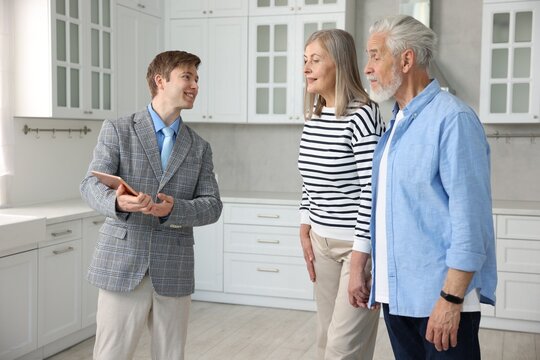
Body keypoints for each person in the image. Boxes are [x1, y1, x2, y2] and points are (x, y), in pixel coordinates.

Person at [352, 15, 497, 359]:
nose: (367, 68)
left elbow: (471, 222)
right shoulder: (396, 123)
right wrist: (368, 267)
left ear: (406, 59)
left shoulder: (453, 119)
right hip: (399, 298)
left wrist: (451, 300)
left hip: (441, 299)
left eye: (375, 55)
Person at [80, 50, 222, 360]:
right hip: (123, 264)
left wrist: (174, 209)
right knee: (111, 354)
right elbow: (89, 185)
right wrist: (118, 201)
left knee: (171, 355)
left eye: (196, 79)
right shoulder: (118, 129)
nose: (195, 85)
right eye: (187, 77)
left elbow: (212, 206)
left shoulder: (199, 147)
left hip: (174, 266)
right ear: (160, 80)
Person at [298, 29, 384, 360]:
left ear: (341, 63)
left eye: (315, 60)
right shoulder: (315, 116)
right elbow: (308, 180)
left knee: (342, 348)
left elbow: (372, 191)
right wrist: (305, 224)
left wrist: (362, 257)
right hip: (321, 242)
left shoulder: (364, 115)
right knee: (325, 338)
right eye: (305, 60)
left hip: (355, 248)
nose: (306, 67)